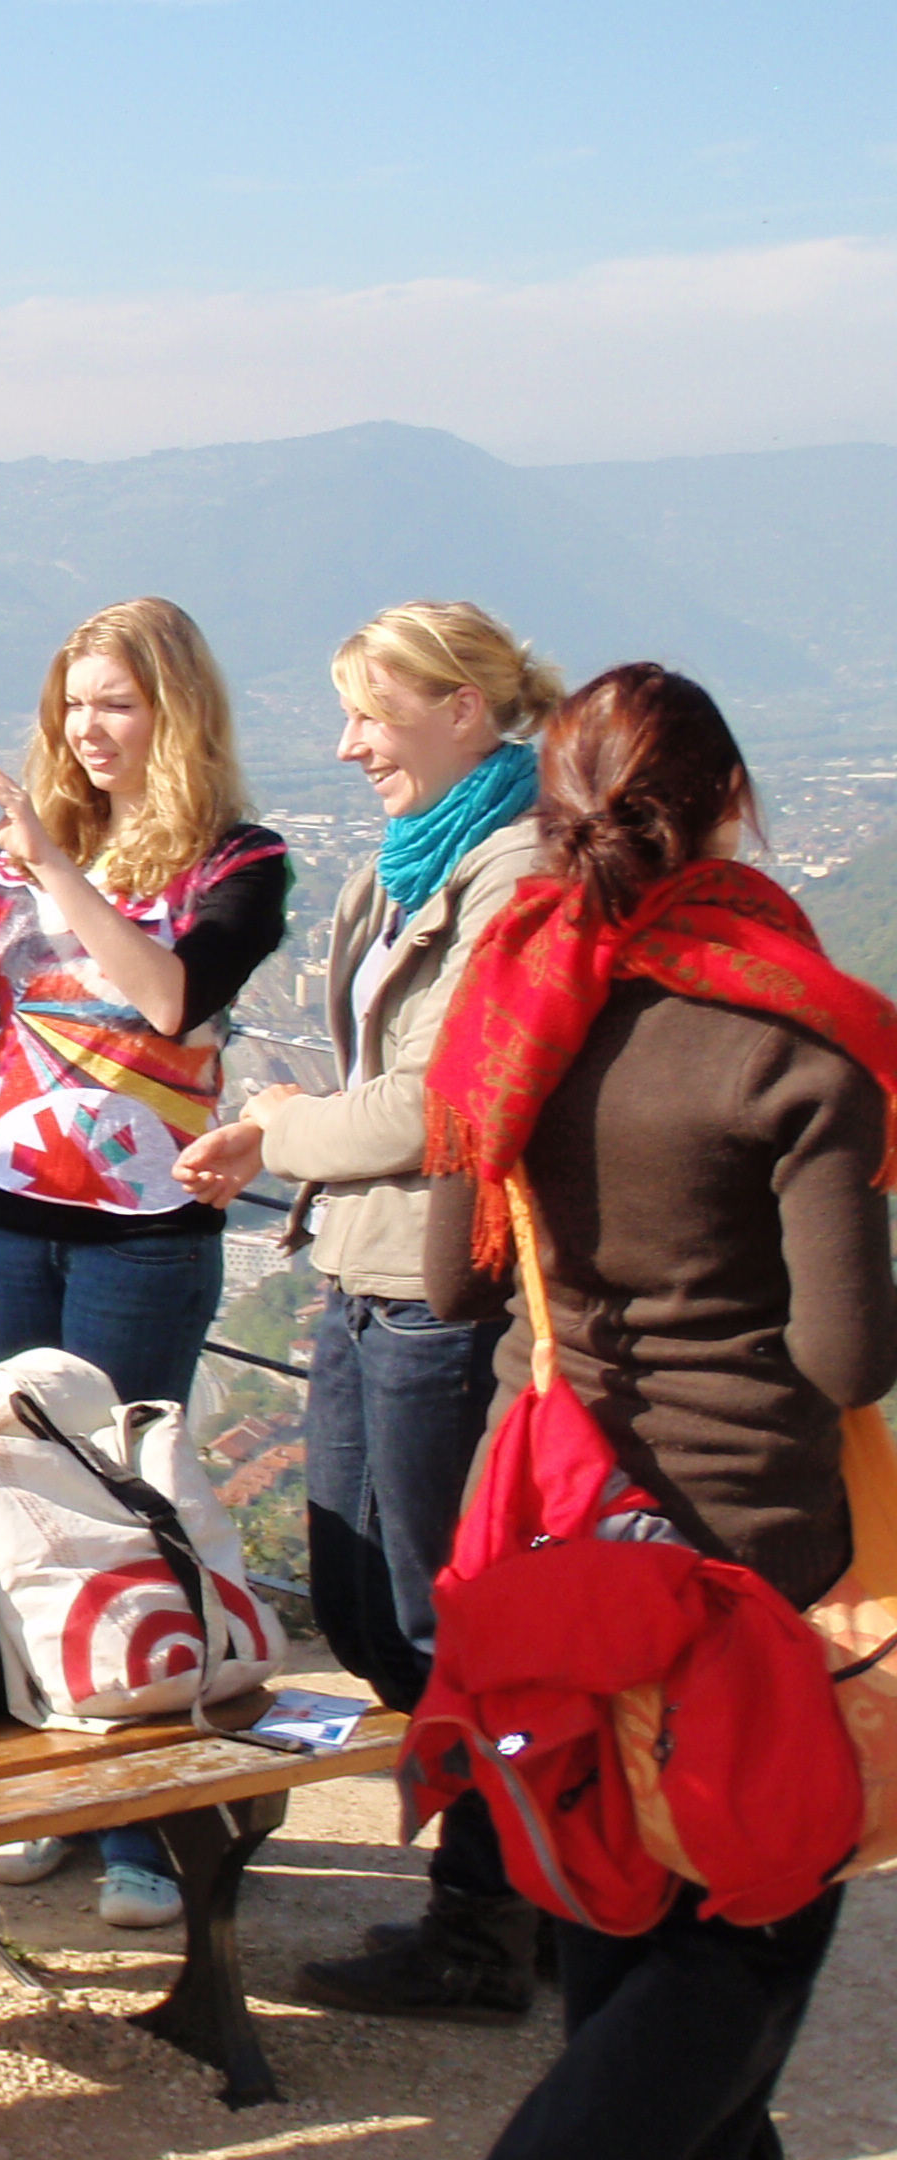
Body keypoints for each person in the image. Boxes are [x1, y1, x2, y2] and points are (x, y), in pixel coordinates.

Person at [420, 663, 897, 2160]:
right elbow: (844, 1358)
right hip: (750, 1547)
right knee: (749, 1923)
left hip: (556, 1533)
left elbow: (452, 1285)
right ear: (732, 806)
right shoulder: (795, 1040)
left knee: (621, 1897)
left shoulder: (504, 1012)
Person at [0, 596, 288, 1930]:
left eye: (117, 703)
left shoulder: (239, 860)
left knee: (132, 1495)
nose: (90, 730)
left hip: (146, 1227)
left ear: (176, 711)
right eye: (74, 705)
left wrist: (51, 866)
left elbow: (171, 997)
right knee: (22, 1492)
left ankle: (150, 1832)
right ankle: (57, 1779)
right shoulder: (9, 868)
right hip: (9, 1205)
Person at [174, 601, 560, 2020]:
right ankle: (524, 1888)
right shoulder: (423, 863)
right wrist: (278, 1142)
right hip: (368, 1265)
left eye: (370, 716)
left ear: (464, 709)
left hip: (438, 1282)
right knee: (365, 1600)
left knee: (440, 1613)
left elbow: (449, 1100)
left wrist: (280, 1124)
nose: (345, 747)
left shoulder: (513, 874)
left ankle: (491, 1920)